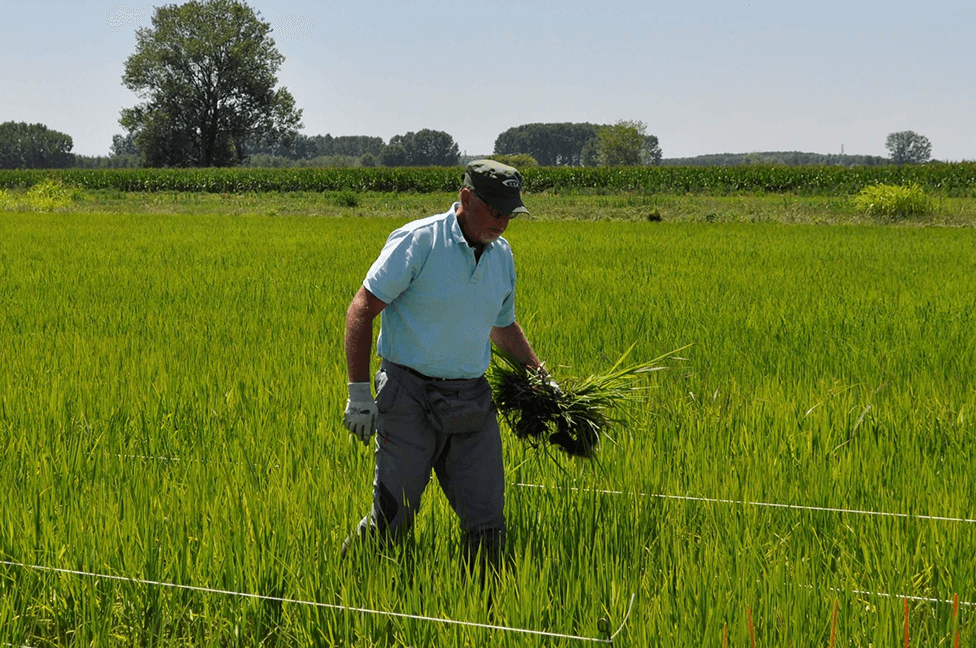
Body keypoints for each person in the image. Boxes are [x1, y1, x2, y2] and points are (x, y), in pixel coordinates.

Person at [342, 159, 548, 570]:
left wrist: (542, 378)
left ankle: (486, 608)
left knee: (488, 525)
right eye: (495, 211)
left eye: (510, 214)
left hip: (470, 402)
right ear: (466, 198)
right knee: (392, 520)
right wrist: (359, 393)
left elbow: (502, 326)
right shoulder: (419, 242)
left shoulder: (501, 256)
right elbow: (362, 307)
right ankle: (348, 586)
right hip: (408, 398)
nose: (503, 223)